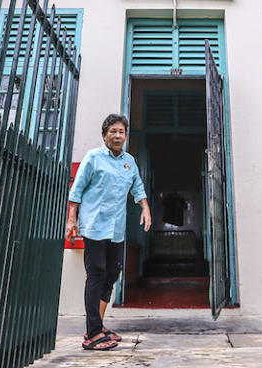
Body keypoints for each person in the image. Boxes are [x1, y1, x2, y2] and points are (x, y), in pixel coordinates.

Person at [66, 113, 151, 351]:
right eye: (112, 131)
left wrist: (145, 208)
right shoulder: (93, 157)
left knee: (112, 273)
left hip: (116, 230)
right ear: (104, 135)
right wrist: (71, 221)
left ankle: (99, 325)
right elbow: (77, 191)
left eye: (121, 131)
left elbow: (137, 187)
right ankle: (92, 334)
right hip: (94, 226)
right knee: (96, 274)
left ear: (125, 136)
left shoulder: (129, 161)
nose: (116, 135)